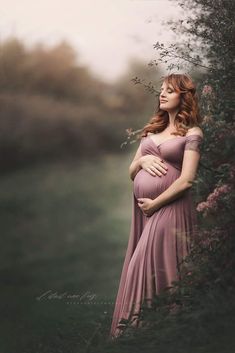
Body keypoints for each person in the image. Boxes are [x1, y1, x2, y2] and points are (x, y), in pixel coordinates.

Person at [109, 73, 204, 339]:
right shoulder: (151, 131)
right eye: (161, 90)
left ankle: (148, 332)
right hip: (147, 212)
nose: (162, 94)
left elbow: (186, 180)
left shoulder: (192, 133)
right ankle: (150, 334)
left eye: (169, 91)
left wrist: (155, 204)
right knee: (150, 267)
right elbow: (131, 170)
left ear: (183, 97)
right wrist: (141, 163)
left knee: (144, 265)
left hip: (170, 208)